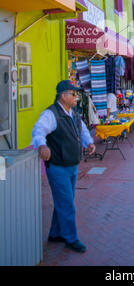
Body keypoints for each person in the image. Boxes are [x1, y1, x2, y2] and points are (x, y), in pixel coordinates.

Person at [31, 80, 96, 252]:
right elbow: (38, 130)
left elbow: (82, 130)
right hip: (58, 166)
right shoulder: (51, 114)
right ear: (63, 96)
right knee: (67, 204)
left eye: (76, 94)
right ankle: (71, 238)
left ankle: (55, 233)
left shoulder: (73, 113)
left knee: (64, 201)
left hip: (72, 164)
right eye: (73, 94)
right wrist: (42, 145)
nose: (76, 97)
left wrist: (89, 142)